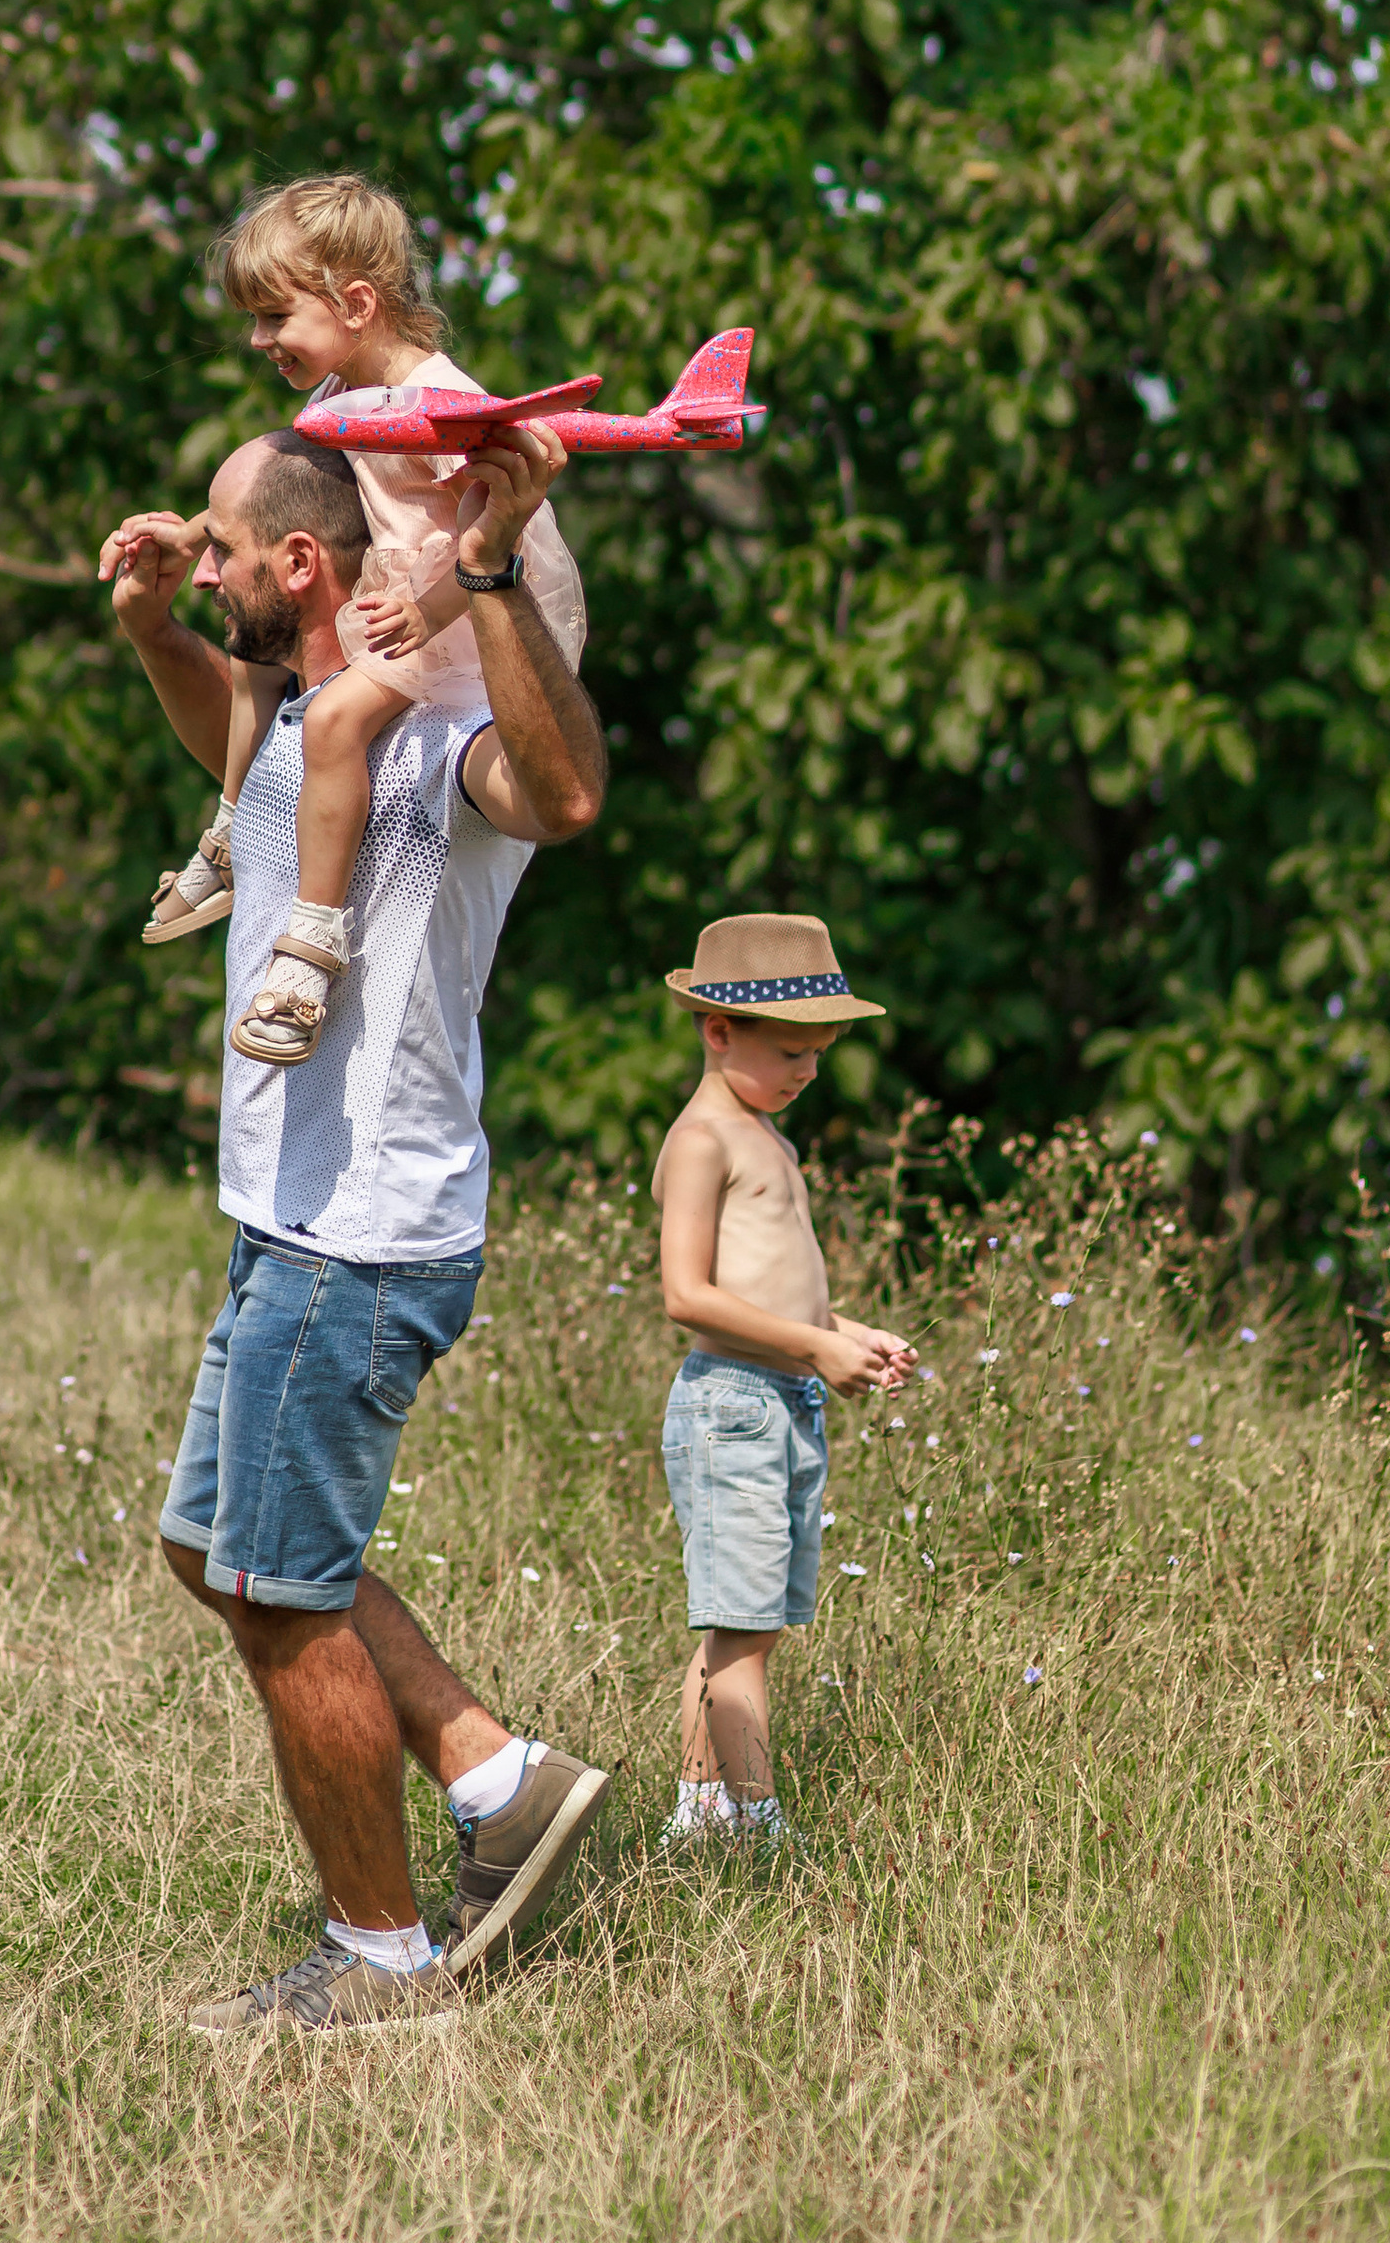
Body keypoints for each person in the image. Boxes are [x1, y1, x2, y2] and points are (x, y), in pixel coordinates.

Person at [97, 408, 611, 2034]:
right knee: (217, 1549)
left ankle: (381, 1963)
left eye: (223, 545)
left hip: (364, 1240)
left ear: (301, 563)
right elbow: (227, 771)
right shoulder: (294, 721)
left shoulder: (426, 738)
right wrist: (157, 627)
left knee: (284, 1597)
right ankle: (495, 1770)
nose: (202, 548)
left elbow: (563, 791)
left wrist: (494, 574)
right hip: (283, 1227)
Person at [141, 174, 586, 1077]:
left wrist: (424, 613)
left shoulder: (436, 400)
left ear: (355, 303)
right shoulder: (344, 390)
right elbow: (276, 487)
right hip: (401, 604)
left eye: (275, 318)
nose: (260, 340)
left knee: (336, 720)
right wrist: (193, 533)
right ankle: (229, 829)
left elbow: (497, 532)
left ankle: (310, 948)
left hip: (452, 628)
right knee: (256, 654)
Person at [649, 916, 912, 1852]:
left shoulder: (769, 1137)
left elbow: (777, 1286)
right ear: (719, 1030)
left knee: (740, 1631)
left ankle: (701, 1814)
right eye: (792, 1051)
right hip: (733, 1406)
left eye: (820, 1054)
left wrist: (844, 1336)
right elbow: (687, 1295)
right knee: (744, 1630)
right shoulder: (703, 1141)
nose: (809, 1071)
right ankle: (760, 1826)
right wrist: (811, 1345)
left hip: (782, 1403)